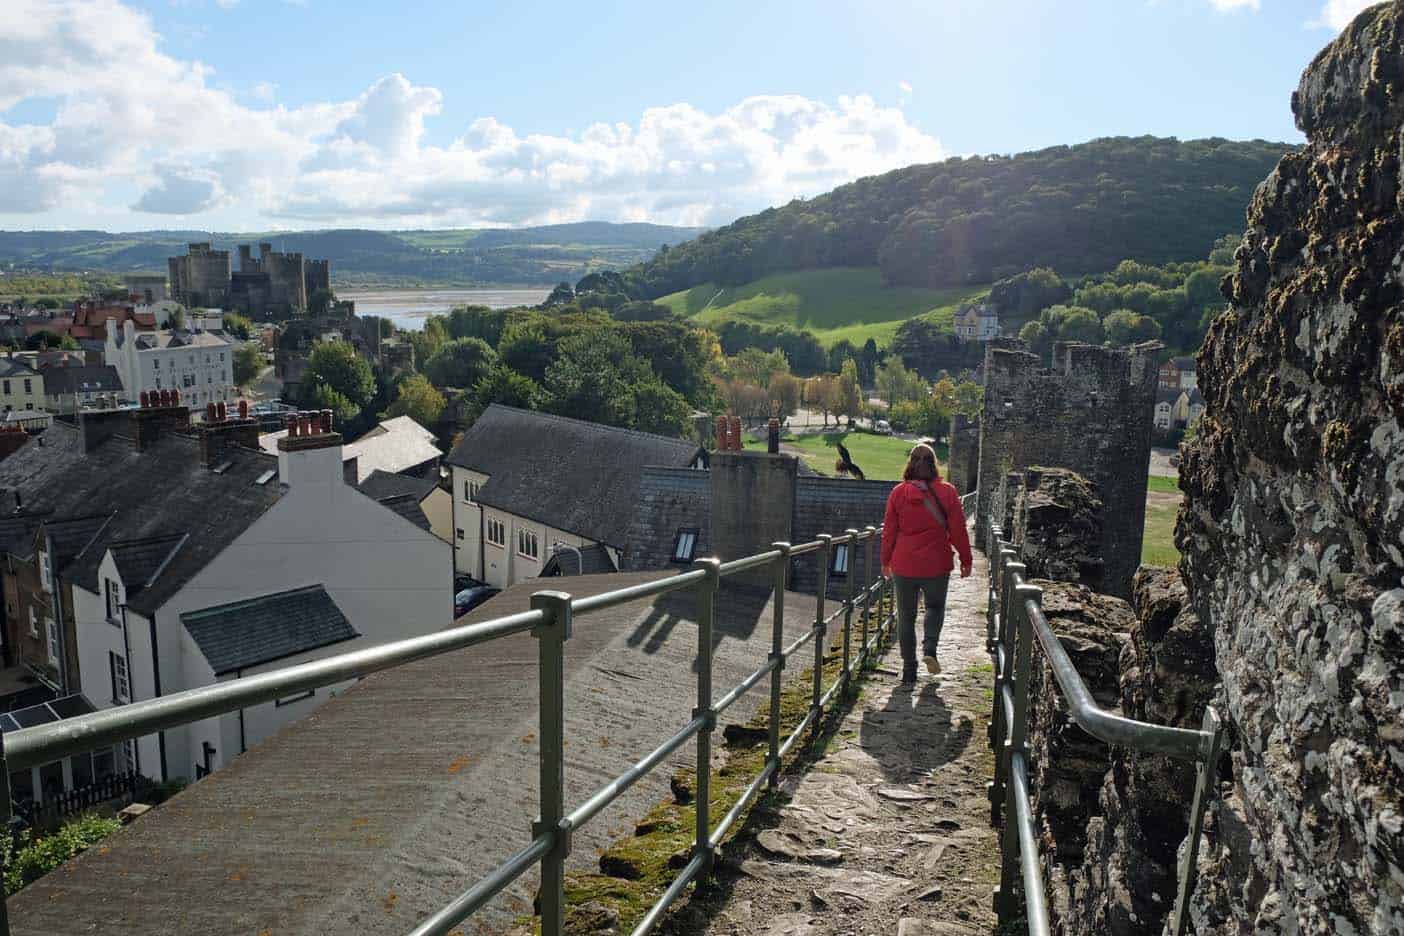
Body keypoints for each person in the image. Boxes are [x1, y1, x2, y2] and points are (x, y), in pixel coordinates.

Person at [880, 443, 973, 685]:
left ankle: (909, 669)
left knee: (906, 617)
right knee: (934, 608)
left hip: (905, 564)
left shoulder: (898, 493)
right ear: (934, 464)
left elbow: (889, 532)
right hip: (936, 563)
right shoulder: (949, 492)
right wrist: (966, 558)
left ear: (910, 463)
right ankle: (929, 649)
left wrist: (885, 560)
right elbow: (958, 530)